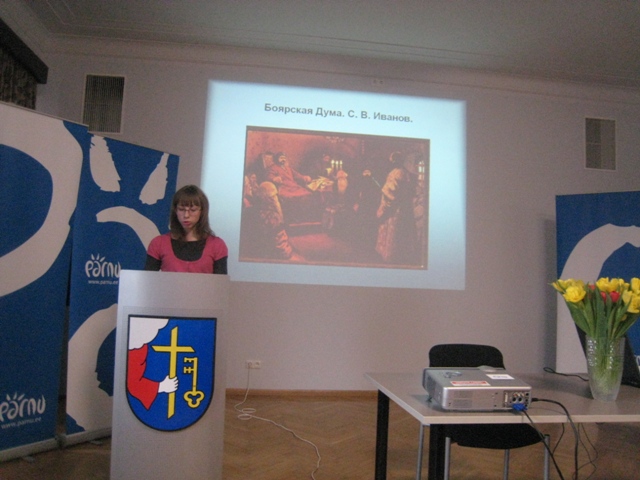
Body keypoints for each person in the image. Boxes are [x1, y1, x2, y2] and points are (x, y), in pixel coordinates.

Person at [144, 184, 228, 274]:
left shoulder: (217, 245)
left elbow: (220, 282)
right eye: (181, 209)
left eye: (193, 210)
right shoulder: (159, 243)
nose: (186, 215)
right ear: (175, 211)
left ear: (202, 211)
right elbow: (148, 279)